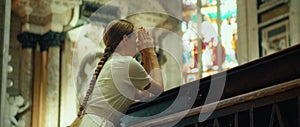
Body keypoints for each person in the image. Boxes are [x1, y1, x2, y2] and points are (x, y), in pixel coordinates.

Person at [70, 19, 164, 127]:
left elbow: (144, 94)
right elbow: (159, 90)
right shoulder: (126, 63)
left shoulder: (114, 62)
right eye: (135, 38)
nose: (137, 43)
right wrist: (151, 53)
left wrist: (145, 56)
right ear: (125, 39)